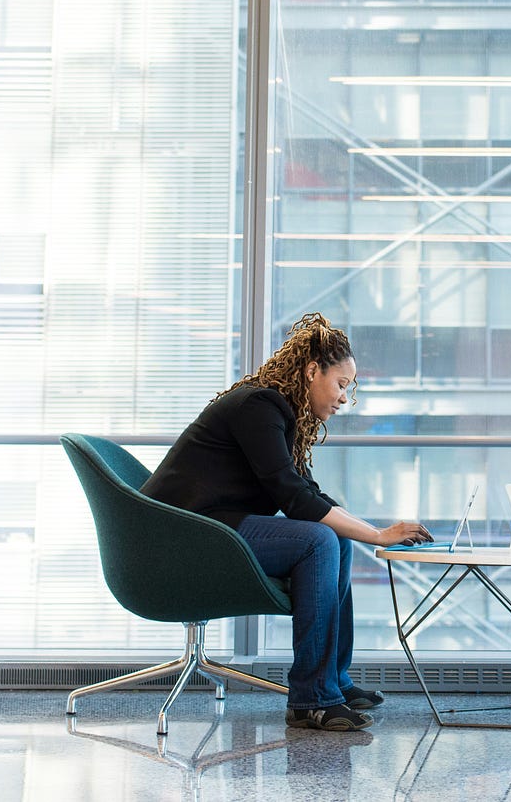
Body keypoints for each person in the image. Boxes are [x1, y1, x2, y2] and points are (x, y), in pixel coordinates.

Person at [141, 312, 431, 732]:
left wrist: (372, 532)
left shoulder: (278, 411)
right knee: (319, 540)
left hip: (213, 526)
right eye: (341, 385)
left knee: (334, 538)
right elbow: (293, 500)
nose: (344, 399)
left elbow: (307, 494)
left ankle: (333, 681)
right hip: (183, 534)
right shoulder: (260, 406)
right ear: (313, 371)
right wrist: (377, 536)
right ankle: (311, 699)